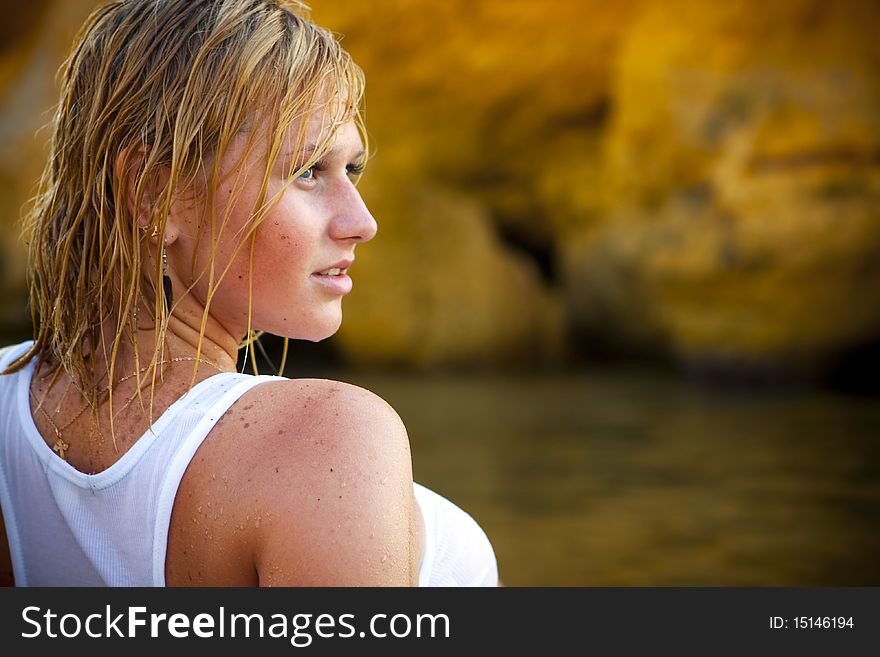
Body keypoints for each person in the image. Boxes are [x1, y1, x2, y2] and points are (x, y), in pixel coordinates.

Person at [0, 0, 499, 587]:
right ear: (156, 194)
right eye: (309, 170)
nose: (362, 222)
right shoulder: (325, 442)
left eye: (352, 171)